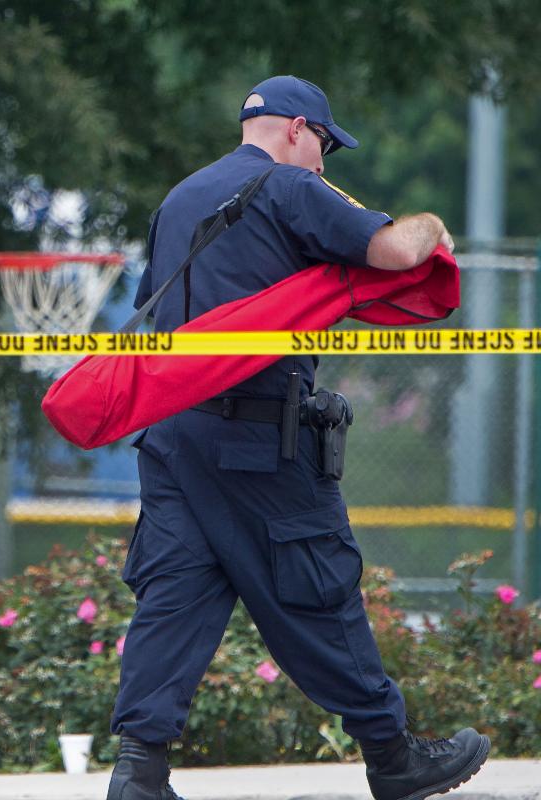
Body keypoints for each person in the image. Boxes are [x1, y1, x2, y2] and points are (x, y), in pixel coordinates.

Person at [107, 76, 489, 800]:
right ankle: (392, 755)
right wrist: (432, 224)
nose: (324, 163)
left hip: (172, 437)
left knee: (176, 593)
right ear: (294, 129)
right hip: (257, 437)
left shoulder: (181, 198)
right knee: (319, 588)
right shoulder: (290, 188)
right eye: (323, 144)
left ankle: (139, 773)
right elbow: (394, 252)